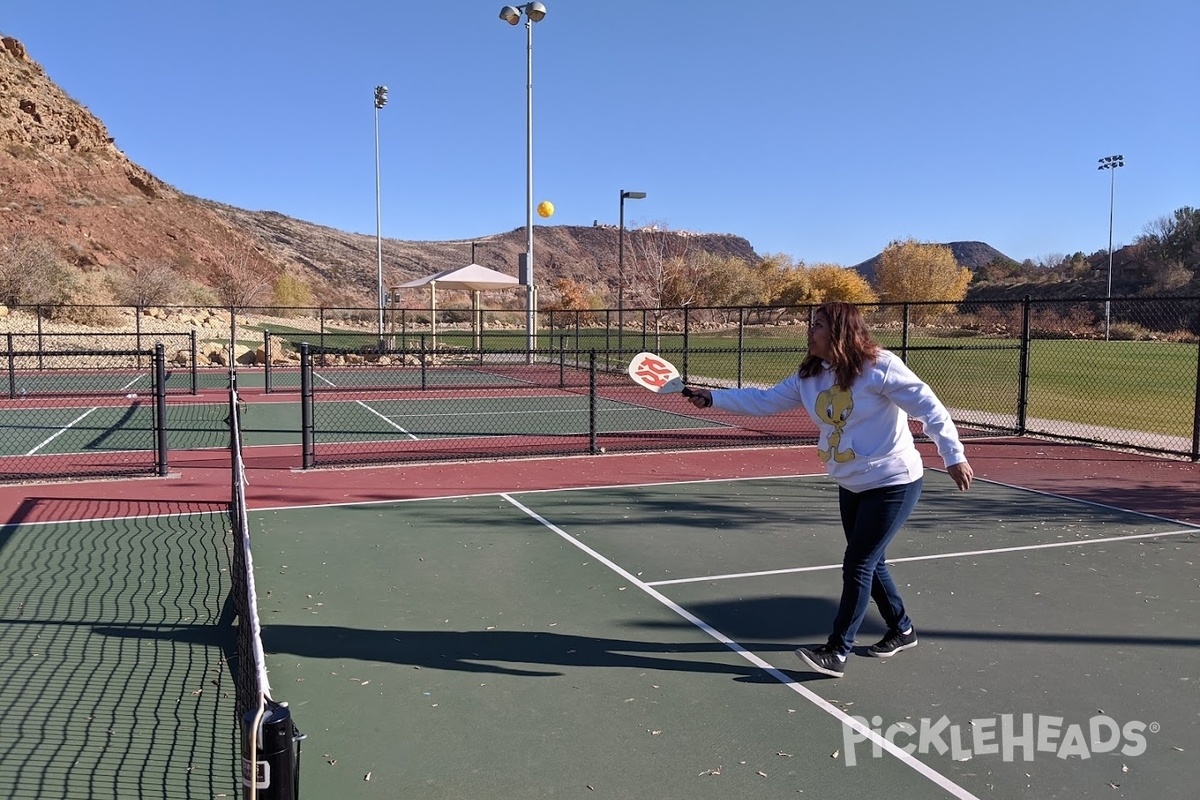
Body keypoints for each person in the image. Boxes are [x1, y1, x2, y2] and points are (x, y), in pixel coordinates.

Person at [684, 302, 973, 678]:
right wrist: (714, 396)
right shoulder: (811, 375)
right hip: (851, 481)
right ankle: (902, 629)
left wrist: (952, 454)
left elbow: (929, 407)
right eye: (811, 323)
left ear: (839, 331)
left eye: (818, 324)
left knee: (858, 563)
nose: (810, 330)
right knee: (871, 561)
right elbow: (765, 400)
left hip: (894, 479)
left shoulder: (878, 367)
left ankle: (837, 650)